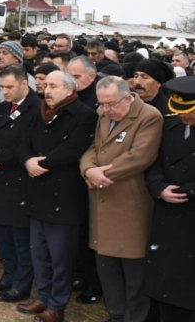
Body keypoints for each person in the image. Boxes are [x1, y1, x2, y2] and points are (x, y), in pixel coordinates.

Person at [16, 70, 98, 322]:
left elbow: (73, 148)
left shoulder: (84, 115)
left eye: (53, 86)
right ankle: (42, 297)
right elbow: (23, 141)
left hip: (64, 196)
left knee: (60, 256)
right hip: (37, 192)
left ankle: (57, 305)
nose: (47, 90)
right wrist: (28, 160)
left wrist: (43, 163)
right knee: (39, 252)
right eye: (46, 85)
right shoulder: (40, 112)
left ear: (70, 89)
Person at [80, 75, 162, 322]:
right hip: (102, 202)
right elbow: (94, 149)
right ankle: (115, 314)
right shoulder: (104, 114)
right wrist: (88, 170)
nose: (105, 110)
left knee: (133, 272)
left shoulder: (149, 116)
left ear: (128, 98)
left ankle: (134, 318)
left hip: (129, 205)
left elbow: (139, 156)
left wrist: (101, 174)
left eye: (111, 104)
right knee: (107, 269)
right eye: (102, 104)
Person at [0, 65, 41, 303]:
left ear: (24, 84)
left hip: (18, 181)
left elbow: (26, 146)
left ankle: (22, 283)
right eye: (2, 87)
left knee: (19, 237)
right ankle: (8, 275)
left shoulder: (36, 109)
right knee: (2, 233)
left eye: (9, 87)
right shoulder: (2, 108)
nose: (4, 92)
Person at [143, 75, 195, 321]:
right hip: (166, 211)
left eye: (190, 111)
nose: (185, 116)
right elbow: (154, 163)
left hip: (190, 211)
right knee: (165, 275)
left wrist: (189, 190)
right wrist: (159, 187)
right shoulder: (169, 124)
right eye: (180, 110)